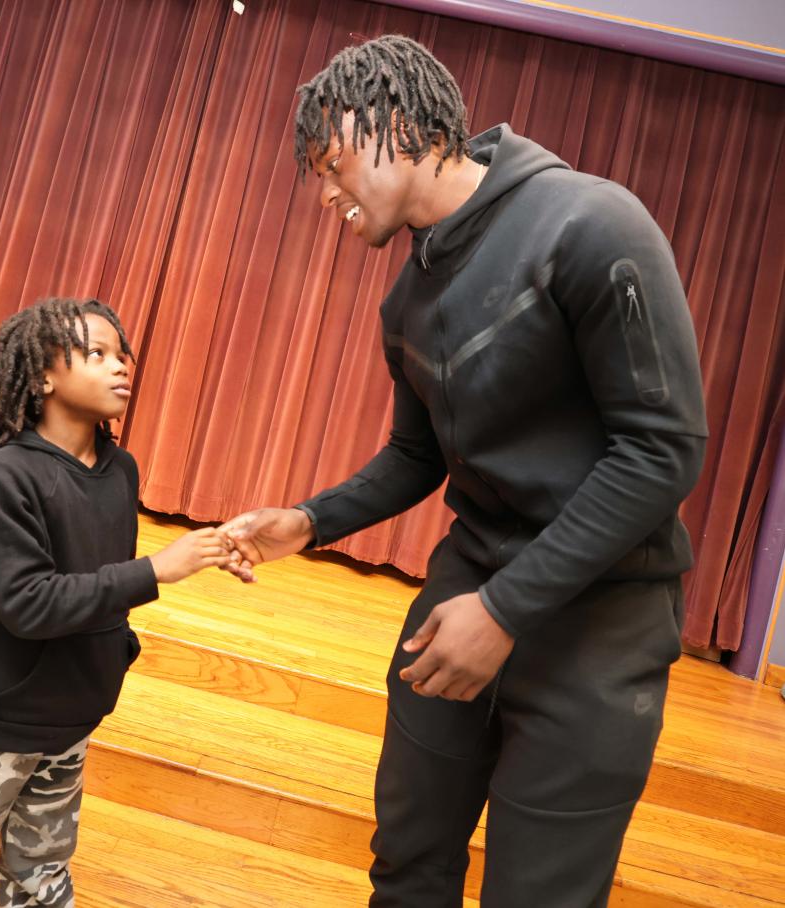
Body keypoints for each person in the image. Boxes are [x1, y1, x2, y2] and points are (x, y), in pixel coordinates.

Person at [222, 35, 707, 908]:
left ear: (397, 127)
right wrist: (310, 520)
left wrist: (505, 609)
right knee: (407, 866)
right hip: (465, 592)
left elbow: (661, 450)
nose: (321, 192)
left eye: (329, 163)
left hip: (602, 618)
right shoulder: (406, 298)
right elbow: (418, 456)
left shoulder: (590, 225)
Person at [0, 298, 235, 907]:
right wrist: (157, 569)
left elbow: (99, 583)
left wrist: (118, 648)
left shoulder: (119, 469)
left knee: (42, 880)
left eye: (121, 354)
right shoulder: (3, 477)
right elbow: (28, 604)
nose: (121, 366)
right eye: (96, 354)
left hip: (68, 721)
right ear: (45, 376)